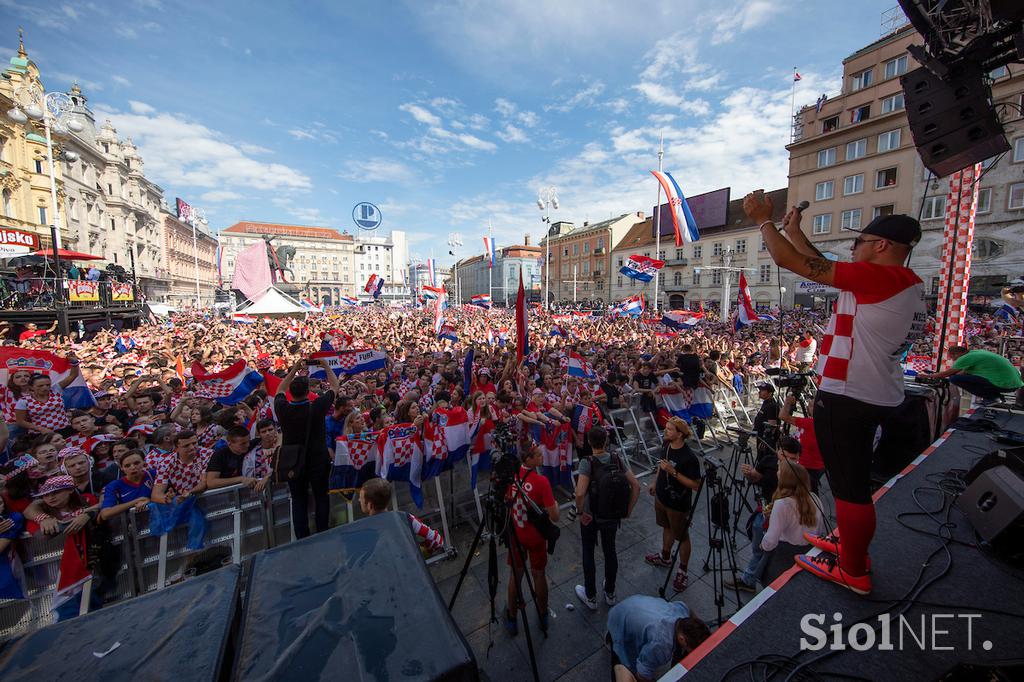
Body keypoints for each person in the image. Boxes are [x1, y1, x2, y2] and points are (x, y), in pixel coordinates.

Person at [748, 190, 925, 594]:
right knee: (852, 482)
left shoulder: (880, 278)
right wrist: (795, 232)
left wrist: (765, 221)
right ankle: (848, 543)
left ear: (882, 246)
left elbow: (794, 264)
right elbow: (820, 265)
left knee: (850, 488)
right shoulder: (903, 282)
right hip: (872, 391)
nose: (852, 247)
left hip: (849, 394)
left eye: (859, 242)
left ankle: (854, 568)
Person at [573, 427, 640, 609]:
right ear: (606, 441)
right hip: (611, 515)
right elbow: (636, 485)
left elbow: (580, 493)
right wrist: (628, 510)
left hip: (591, 515)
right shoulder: (616, 458)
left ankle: (591, 597)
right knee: (610, 550)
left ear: (588, 442)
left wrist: (580, 512)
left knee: (588, 551)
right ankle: (610, 592)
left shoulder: (587, 462)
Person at [274, 359, 339, 538]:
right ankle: (323, 532)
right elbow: (335, 386)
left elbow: (279, 389)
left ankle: (302, 537)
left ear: (291, 393)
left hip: (293, 462)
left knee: (298, 500)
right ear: (308, 392)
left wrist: (294, 368)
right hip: (318, 460)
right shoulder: (317, 407)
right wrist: (326, 365)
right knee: (321, 496)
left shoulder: (282, 408)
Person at [505, 441, 559, 636]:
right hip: (535, 536)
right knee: (539, 575)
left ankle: (511, 617)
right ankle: (543, 614)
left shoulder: (511, 478)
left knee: (515, 576)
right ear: (528, 459)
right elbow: (555, 516)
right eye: (537, 455)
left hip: (517, 534)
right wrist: (552, 506)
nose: (541, 456)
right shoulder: (541, 482)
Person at [644, 417, 701, 592]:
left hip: (678, 504)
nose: (665, 431)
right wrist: (655, 483)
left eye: (669, 429)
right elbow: (662, 466)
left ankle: (683, 570)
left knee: (682, 537)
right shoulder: (666, 445)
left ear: (680, 434)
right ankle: (665, 556)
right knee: (666, 527)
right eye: (666, 428)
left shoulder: (689, 457)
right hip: (662, 497)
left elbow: (696, 485)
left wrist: (674, 473)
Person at [606, 595, 710, 682]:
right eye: (691, 649)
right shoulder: (662, 645)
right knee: (622, 665)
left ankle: (613, 634)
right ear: (682, 639)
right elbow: (642, 675)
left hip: (627, 607)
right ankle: (614, 642)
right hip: (620, 624)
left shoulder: (681, 611)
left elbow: (688, 609)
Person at [358, 477, 444, 553]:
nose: (359, 500)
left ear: (370, 506)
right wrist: (419, 553)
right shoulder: (405, 519)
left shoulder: (363, 531)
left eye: (361, 498)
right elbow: (437, 540)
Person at [923, 346, 1023, 404]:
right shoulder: (975, 353)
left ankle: (992, 397)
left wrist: (927, 376)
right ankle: (995, 397)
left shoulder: (965, 358)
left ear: (955, 354)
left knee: (954, 379)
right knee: (958, 377)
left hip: (1005, 384)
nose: (952, 359)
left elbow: (949, 374)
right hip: (1014, 383)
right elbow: (962, 373)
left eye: (951, 357)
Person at [779, 395, 825, 493]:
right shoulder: (825, 423)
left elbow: (782, 416)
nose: (808, 407)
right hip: (818, 466)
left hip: (807, 466)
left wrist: (787, 402)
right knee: (811, 491)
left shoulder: (810, 423)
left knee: (805, 492)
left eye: (811, 406)